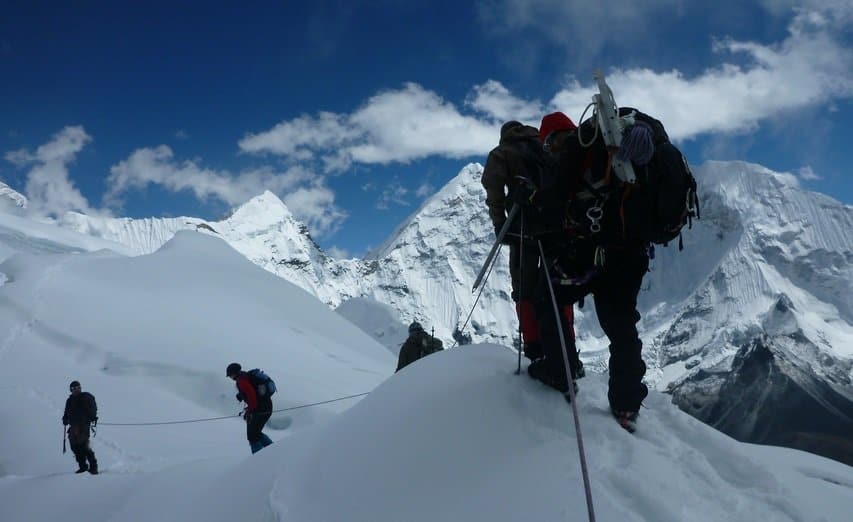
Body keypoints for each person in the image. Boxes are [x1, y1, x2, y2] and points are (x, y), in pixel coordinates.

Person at [532, 108, 660, 431]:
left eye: (548, 144)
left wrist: (531, 203)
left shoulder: (571, 157)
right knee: (621, 325)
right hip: (631, 255)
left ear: (551, 139)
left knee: (546, 292)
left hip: (591, 257)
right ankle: (627, 404)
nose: (550, 150)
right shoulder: (605, 151)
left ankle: (560, 372)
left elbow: (548, 215)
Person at [481, 120, 547, 361]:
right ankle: (565, 348)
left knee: (524, 288)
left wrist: (500, 224)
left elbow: (494, 188)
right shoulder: (544, 147)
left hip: (522, 227)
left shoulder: (502, 153)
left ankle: (533, 347)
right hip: (554, 227)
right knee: (556, 286)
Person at [227, 363, 274, 454]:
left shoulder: (241, 381)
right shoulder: (245, 376)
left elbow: (252, 396)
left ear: (234, 373)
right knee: (256, 433)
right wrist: (241, 395)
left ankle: (258, 459)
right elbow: (252, 392)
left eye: (230, 375)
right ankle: (272, 450)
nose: (230, 377)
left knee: (252, 436)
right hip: (266, 406)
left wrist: (250, 411)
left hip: (260, 409)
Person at [62, 380, 98, 474]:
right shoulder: (69, 400)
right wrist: (65, 419)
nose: (76, 390)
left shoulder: (85, 397)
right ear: (71, 390)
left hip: (83, 425)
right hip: (73, 426)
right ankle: (83, 466)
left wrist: (92, 417)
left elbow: (92, 409)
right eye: (73, 388)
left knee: (84, 446)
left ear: (80, 388)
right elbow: (66, 412)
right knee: (75, 447)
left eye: (77, 388)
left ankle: (93, 467)